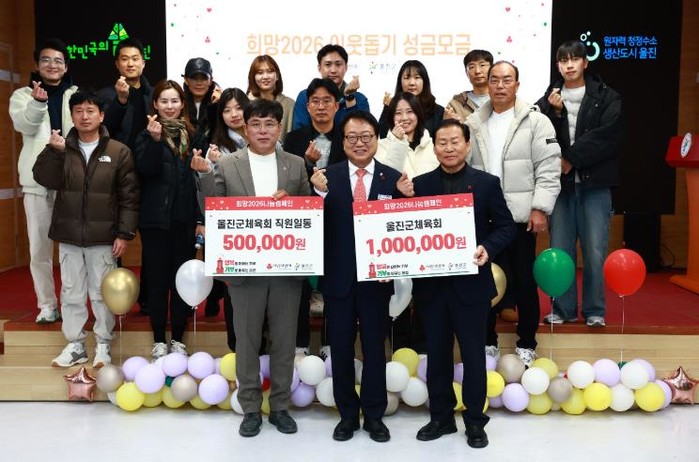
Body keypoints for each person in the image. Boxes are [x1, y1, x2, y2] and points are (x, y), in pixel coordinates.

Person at [396, 119, 516, 448]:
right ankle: (441, 417)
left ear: (468, 145)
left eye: (455, 142)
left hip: (471, 285)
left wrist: (487, 247)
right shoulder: (420, 185)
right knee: (436, 354)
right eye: (442, 142)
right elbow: (401, 225)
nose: (449, 148)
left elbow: (506, 227)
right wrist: (399, 197)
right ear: (434, 147)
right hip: (432, 287)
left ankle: (475, 421)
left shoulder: (486, 184)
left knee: (474, 356)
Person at [200, 99, 310, 437]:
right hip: (245, 268)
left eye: (270, 124)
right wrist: (203, 174)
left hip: (285, 268)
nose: (263, 131)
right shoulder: (227, 164)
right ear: (245, 128)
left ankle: (280, 407)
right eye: (256, 125)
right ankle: (250, 408)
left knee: (284, 341)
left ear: (279, 128)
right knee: (246, 342)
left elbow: (310, 210)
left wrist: (293, 203)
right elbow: (212, 209)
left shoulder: (296, 164)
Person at [309, 111, 401, 443]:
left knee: (375, 348)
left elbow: (403, 230)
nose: (359, 143)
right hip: (339, 279)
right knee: (341, 348)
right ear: (343, 141)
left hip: (377, 280)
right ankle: (347, 414)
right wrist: (317, 195)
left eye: (366, 137)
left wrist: (408, 196)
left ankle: (374, 415)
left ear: (376, 139)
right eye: (352, 137)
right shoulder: (325, 177)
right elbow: (311, 226)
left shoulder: (393, 179)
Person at [33, 88, 139, 368]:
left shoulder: (118, 151)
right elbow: (44, 178)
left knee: (102, 293)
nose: (84, 116)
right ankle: (75, 345)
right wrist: (53, 152)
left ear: (101, 116)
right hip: (69, 235)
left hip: (104, 237)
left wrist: (124, 233)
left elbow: (129, 197)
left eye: (90, 110)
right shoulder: (61, 147)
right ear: (72, 116)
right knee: (71, 292)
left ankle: (103, 343)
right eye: (78, 111)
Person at [466, 61, 561, 367]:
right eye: (494, 80)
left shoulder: (536, 121)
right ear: (487, 84)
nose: (500, 85)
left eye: (507, 80)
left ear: (517, 85)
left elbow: (548, 168)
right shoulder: (473, 122)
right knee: (483, 281)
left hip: (520, 215)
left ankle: (527, 342)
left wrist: (540, 207)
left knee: (523, 281)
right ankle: (487, 341)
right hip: (483, 215)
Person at [536, 40, 622, 328]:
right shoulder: (548, 99)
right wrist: (555, 113)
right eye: (563, 60)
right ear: (558, 65)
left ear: (585, 63)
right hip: (561, 188)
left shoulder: (606, 96)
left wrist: (570, 159)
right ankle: (563, 309)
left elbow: (606, 137)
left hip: (595, 185)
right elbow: (539, 137)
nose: (569, 65)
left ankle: (595, 310)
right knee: (560, 251)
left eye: (574, 59)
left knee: (595, 252)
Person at [134, 80, 206, 361]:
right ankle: (158, 340)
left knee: (181, 281)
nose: (169, 106)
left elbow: (201, 181)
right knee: (157, 282)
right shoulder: (145, 135)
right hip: (155, 221)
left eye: (174, 100)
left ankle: (177, 338)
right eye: (164, 101)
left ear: (182, 104)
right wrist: (154, 142)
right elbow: (146, 170)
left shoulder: (194, 136)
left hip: (185, 221)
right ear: (155, 104)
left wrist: (200, 218)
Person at [9, 38, 77, 324]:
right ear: (37, 65)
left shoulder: (76, 95)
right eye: (46, 60)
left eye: (58, 60)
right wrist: (38, 103)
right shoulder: (22, 95)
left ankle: (71, 303)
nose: (52, 65)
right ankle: (47, 305)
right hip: (36, 183)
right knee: (39, 249)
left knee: (71, 250)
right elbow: (23, 125)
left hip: (70, 182)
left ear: (66, 66)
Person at [284, 78, 346, 360]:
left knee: (334, 281)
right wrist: (307, 162)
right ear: (307, 106)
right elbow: (289, 179)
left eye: (327, 101)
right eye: (315, 101)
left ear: (337, 106)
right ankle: (299, 344)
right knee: (298, 284)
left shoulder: (347, 136)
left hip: (338, 218)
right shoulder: (294, 139)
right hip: (302, 222)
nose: (321, 106)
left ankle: (330, 344)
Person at [375, 91, 438, 352]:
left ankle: (422, 351)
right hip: (395, 232)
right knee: (398, 290)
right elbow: (383, 182)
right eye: (398, 113)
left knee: (426, 291)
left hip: (428, 229)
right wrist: (398, 145)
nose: (404, 118)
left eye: (409, 112)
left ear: (419, 115)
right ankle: (399, 349)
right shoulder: (381, 145)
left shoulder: (434, 144)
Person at [98, 37, 155, 316]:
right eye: (124, 59)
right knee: (114, 238)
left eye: (135, 58)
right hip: (116, 174)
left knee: (151, 238)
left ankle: (147, 298)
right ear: (117, 64)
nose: (130, 63)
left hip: (149, 175)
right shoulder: (105, 95)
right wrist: (120, 101)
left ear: (143, 63)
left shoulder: (155, 94)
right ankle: (114, 297)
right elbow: (103, 132)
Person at [291, 44, 369, 130]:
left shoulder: (359, 99)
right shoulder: (305, 96)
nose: (333, 70)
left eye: (338, 64)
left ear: (346, 67)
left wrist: (349, 98)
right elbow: (300, 132)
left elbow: (361, 132)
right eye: (328, 65)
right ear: (319, 68)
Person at [378, 60, 444, 140]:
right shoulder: (391, 107)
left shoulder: (438, 111)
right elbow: (383, 136)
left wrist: (447, 122)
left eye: (417, 77)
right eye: (407, 78)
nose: (412, 83)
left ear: (424, 81)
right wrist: (387, 108)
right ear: (400, 82)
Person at [246, 54, 295, 142]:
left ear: (277, 76)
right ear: (253, 77)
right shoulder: (245, 103)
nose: (265, 77)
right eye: (260, 73)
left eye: (269, 71)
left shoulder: (289, 104)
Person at [445, 49, 493, 123]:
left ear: (492, 69)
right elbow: (447, 128)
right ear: (466, 73)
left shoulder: (503, 99)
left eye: (482, 65)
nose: (477, 71)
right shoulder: (455, 105)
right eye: (472, 67)